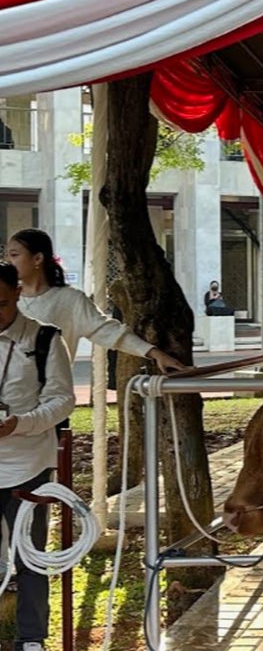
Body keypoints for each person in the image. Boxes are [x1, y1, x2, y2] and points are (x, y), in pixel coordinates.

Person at [0, 263, 75, 651]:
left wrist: (20, 424)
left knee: (30, 555)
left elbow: (63, 401)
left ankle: (31, 638)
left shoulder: (43, 338)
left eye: (0, 304)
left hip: (28, 465)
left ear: (17, 293)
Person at [6, 229, 186, 376]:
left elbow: (108, 331)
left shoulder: (70, 300)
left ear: (37, 258)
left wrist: (154, 353)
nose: (9, 262)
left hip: (50, 400)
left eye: (14, 255)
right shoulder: (6, 298)